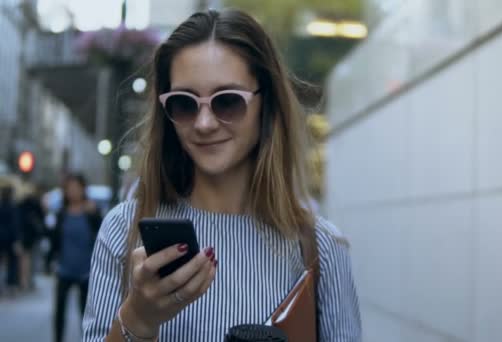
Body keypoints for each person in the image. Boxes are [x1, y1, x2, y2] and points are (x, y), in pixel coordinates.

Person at [83, 9, 361, 342]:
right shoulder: (123, 231)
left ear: (266, 103)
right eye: (184, 104)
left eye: (227, 101)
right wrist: (139, 318)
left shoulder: (321, 246)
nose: (204, 123)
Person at [49, 173, 102, 342]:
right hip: (64, 268)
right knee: (59, 312)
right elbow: (55, 240)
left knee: (85, 314)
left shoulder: (91, 212)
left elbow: (102, 237)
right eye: (69, 188)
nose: (72, 191)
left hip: (86, 271)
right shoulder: (61, 214)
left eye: (76, 188)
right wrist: (51, 260)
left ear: (83, 189)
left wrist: (95, 214)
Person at [17, 183, 45, 292]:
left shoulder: (23, 204)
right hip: (30, 235)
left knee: (27, 258)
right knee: (29, 258)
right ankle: (27, 280)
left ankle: (25, 280)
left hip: (28, 235)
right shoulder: (33, 203)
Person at [0, 185, 21, 297]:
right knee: (12, 262)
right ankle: (10, 283)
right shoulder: (13, 207)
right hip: (9, 238)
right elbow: (15, 225)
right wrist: (17, 240)